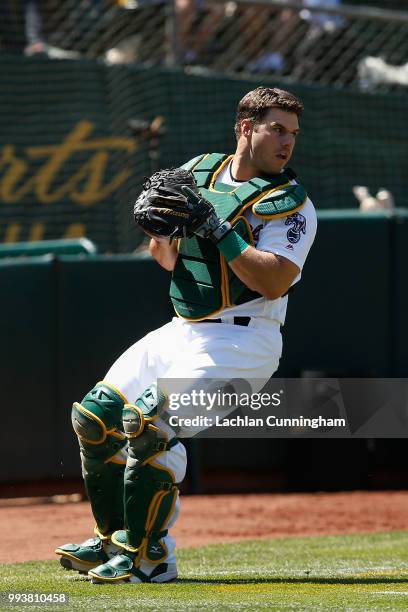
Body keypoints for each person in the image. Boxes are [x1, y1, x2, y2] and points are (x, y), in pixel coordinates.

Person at [55, 86, 317, 584]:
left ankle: (151, 559)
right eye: (277, 129)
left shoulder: (292, 204)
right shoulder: (200, 171)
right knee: (96, 418)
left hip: (244, 342)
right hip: (182, 328)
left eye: (293, 133)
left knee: (151, 426)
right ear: (246, 128)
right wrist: (158, 230)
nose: (287, 143)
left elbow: (273, 279)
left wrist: (217, 228)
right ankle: (112, 539)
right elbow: (169, 255)